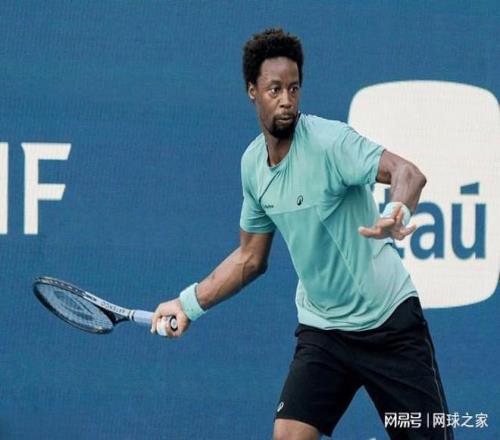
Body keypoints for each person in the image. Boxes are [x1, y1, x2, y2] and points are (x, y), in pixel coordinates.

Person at [151, 28, 453, 440]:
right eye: (274, 89)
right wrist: (188, 305)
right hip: (324, 330)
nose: (287, 100)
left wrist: (396, 208)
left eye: (293, 88)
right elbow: (249, 258)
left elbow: (408, 173)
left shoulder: (331, 143)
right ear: (252, 91)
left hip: (389, 325)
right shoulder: (253, 166)